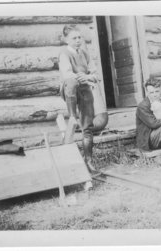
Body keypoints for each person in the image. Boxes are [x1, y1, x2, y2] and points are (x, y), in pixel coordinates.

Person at [58, 24, 98, 172]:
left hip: (84, 88)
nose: (77, 40)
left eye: (79, 37)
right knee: (72, 81)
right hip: (70, 91)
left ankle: (89, 161)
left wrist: (87, 76)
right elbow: (67, 74)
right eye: (74, 38)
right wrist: (81, 77)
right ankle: (73, 115)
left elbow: (95, 75)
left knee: (87, 127)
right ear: (66, 39)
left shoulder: (85, 54)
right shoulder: (64, 53)